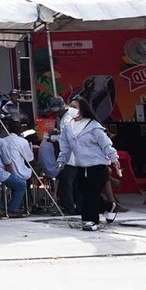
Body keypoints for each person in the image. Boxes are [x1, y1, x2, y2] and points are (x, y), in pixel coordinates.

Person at [55, 97, 115, 231]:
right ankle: (108, 207)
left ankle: (91, 221)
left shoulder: (93, 125)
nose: (71, 109)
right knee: (84, 192)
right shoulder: (68, 126)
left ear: (82, 110)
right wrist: (62, 160)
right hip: (81, 165)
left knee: (91, 193)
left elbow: (105, 143)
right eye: (70, 106)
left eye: (74, 107)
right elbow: (65, 146)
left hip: (97, 164)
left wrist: (113, 157)